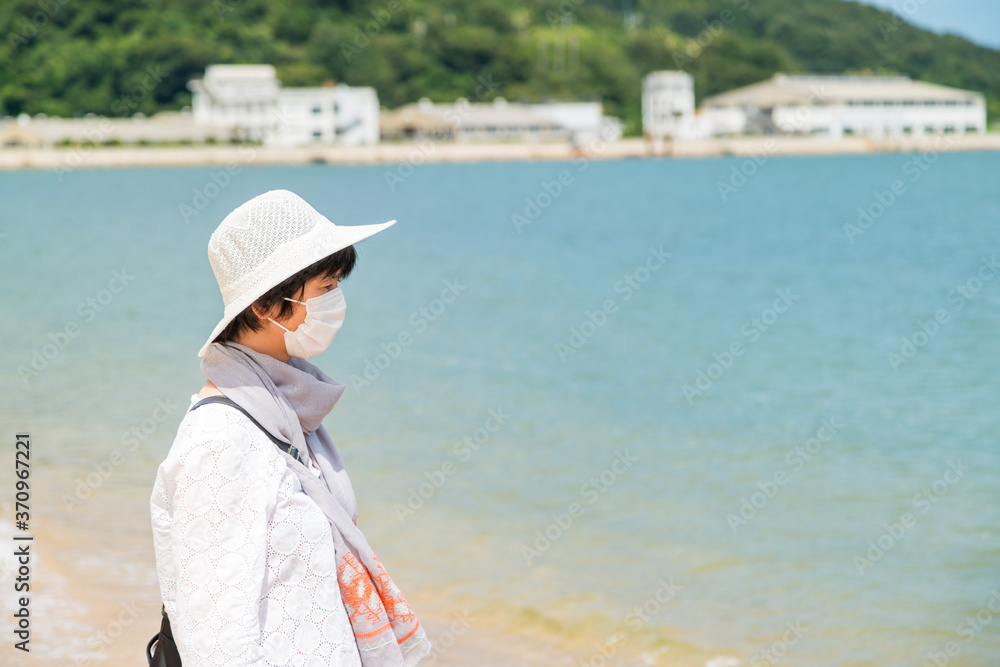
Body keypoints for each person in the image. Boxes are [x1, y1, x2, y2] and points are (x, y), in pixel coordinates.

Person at [150, 189, 431, 666]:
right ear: (264, 305)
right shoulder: (220, 441)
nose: (336, 301)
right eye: (325, 287)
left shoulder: (285, 415)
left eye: (337, 284)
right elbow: (215, 637)